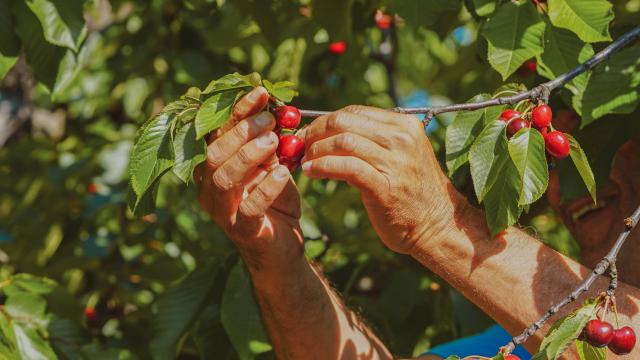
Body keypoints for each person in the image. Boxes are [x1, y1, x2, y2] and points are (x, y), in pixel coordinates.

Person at [195, 86, 640, 359]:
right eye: (552, 164)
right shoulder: (514, 344)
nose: (569, 188)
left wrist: (439, 223)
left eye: (595, 145)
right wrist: (277, 260)